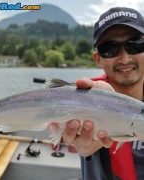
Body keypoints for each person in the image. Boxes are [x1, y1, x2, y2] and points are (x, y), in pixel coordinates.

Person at [49, 7, 144, 180]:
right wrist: (84, 147)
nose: (124, 59)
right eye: (109, 48)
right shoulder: (84, 98)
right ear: (97, 58)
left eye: (135, 45)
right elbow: (83, 147)